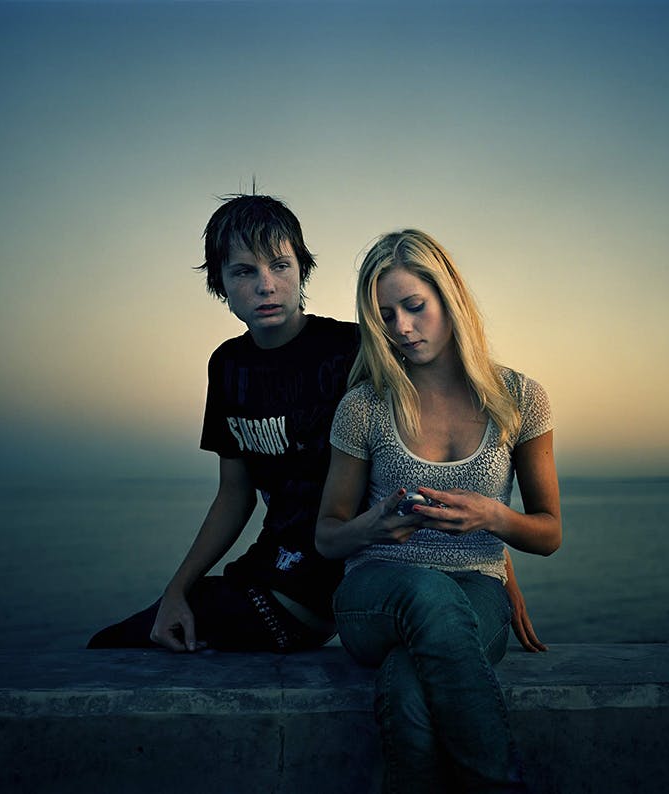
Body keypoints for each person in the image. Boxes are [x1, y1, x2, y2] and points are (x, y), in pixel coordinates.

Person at [88, 197, 543, 656]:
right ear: (219, 283)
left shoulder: (356, 350)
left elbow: (438, 451)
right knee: (116, 643)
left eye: (280, 266)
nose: (266, 285)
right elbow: (234, 494)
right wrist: (177, 589)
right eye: (243, 272)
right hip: (267, 572)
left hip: (339, 584)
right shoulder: (227, 366)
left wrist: (496, 574)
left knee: (113, 649)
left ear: (302, 270)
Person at [315, 229, 562, 792]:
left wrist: (492, 517)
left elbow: (549, 533)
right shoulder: (365, 405)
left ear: (450, 298)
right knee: (427, 592)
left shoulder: (521, 398)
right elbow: (327, 536)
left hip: (477, 588)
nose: (401, 327)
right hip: (375, 591)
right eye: (385, 316)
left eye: (414, 306)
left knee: (407, 684)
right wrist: (375, 525)